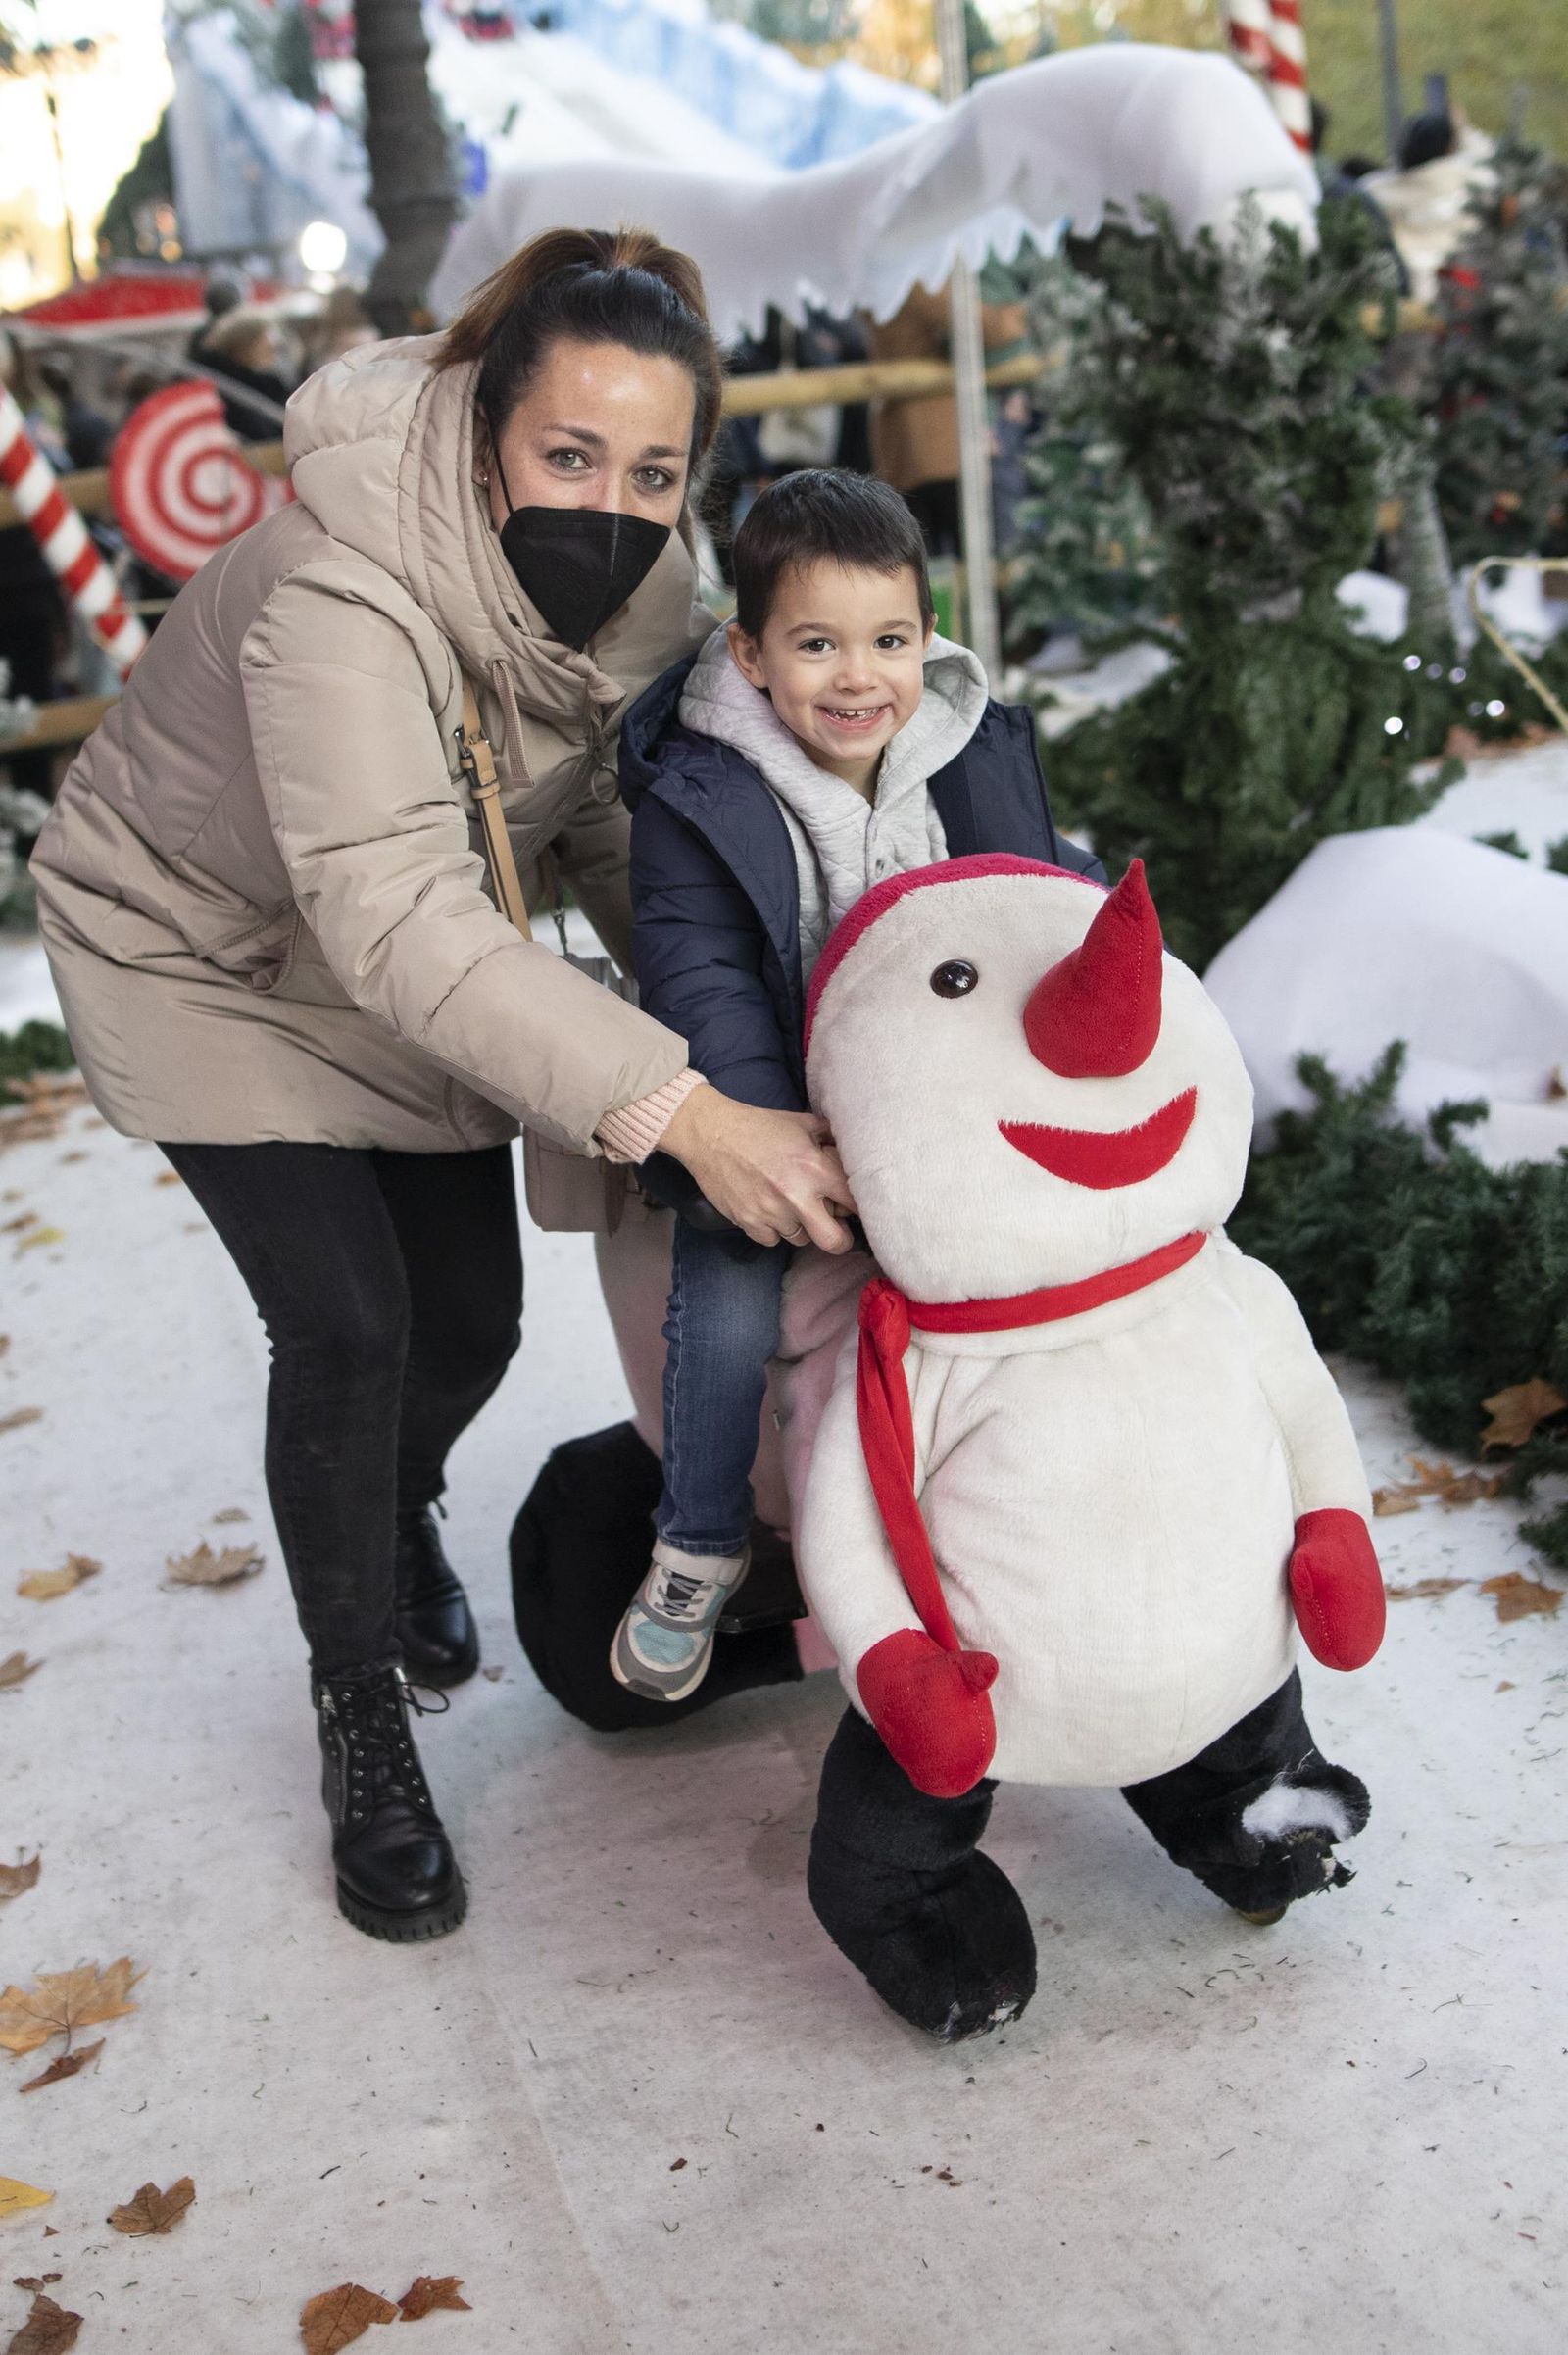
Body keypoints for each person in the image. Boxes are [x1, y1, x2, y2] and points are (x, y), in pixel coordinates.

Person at [30, 227, 854, 1945]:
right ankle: (359, 1717)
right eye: (569, 456)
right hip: (212, 954)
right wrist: (688, 1112)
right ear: (487, 427)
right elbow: (395, 908)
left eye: (651, 468)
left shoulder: (643, 589)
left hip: (405, 948)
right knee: (349, 1326)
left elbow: (619, 824)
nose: (610, 503)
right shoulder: (343, 585)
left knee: (468, 1320)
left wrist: (761, 1015)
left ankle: (384, 1495)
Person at [609, 469, 1102, 1704]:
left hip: (943, 1101)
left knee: (1043, 1269)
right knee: (725, 1300)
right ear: (752, 652)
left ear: (926, 635)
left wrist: (1104, 940)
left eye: (888, 641)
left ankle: (1051, 1505)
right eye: (816, 644)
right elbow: (701, 967)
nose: (857, 677)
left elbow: (1028, 887)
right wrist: (782, 1138)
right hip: (776, 1109)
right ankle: (703, 1538)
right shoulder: (702, 787)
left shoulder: (969, 744)